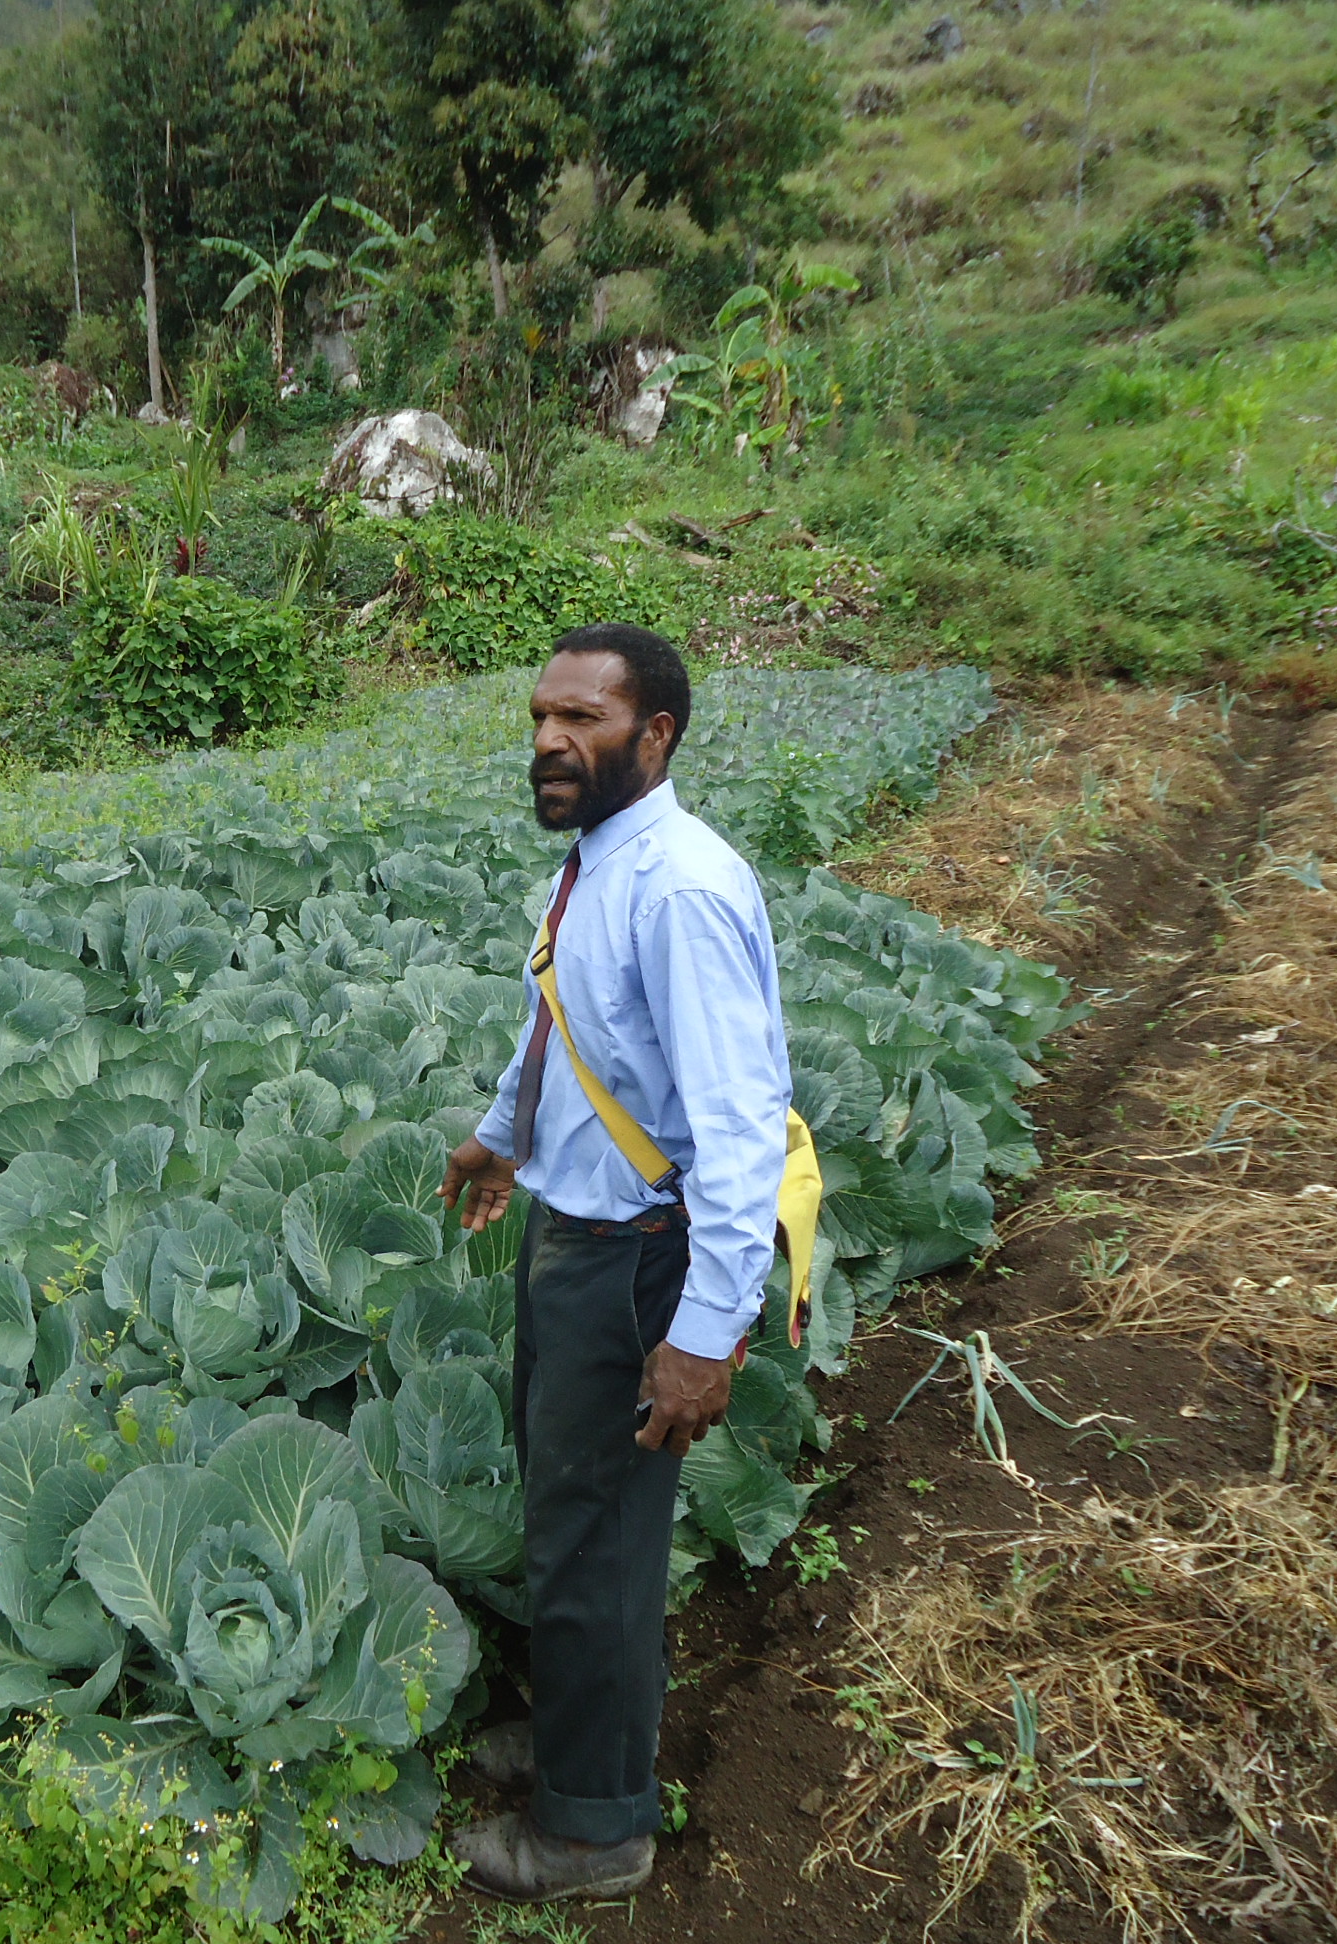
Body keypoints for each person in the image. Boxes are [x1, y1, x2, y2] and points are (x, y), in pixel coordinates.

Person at [438, 623, 792, 1904]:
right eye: (540, 716)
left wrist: (706, 1335)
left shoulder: (679, 888)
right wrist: (498, 1139)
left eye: (582, 719)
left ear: (656, 736)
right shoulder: (596, 863)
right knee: (567, 1512)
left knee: (596, 1536)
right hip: (571, 1231)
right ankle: (578, 1734)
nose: (549, 741)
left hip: (639, 1257)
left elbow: (742, 1128)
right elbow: (560, 1022)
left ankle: (594, 1833)